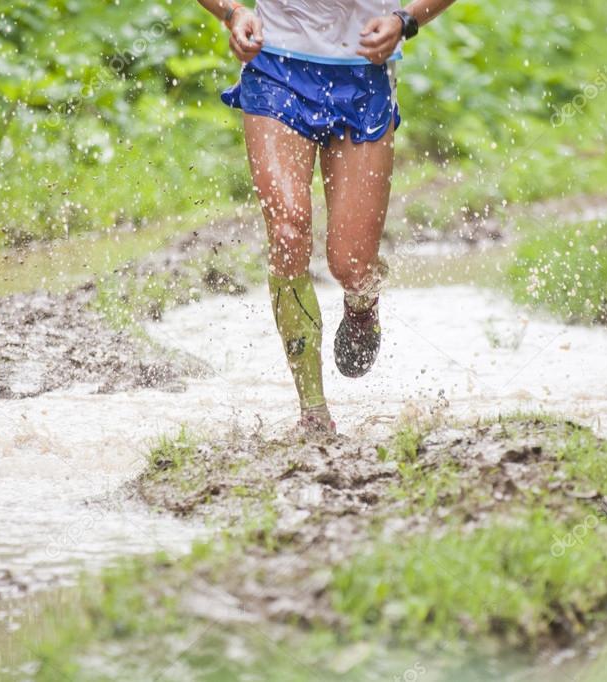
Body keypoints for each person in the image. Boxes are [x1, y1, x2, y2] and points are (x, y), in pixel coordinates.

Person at [196, 0, 457, 433]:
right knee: (287, 229)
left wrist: (406, 20)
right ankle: (313, 413)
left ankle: (362, 302)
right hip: (275, 64)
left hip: (362, 72)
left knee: (351, 265)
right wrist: (231, 12)